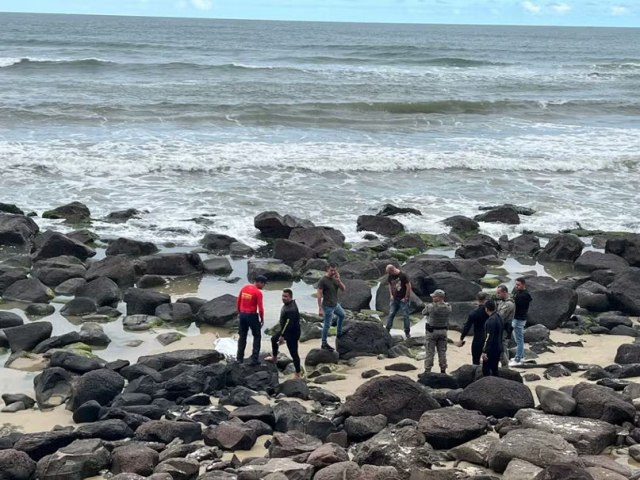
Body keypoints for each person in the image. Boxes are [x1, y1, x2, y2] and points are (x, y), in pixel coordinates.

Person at [265, 289, 302, 377]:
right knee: (273, 339)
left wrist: (282, 336)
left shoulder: (291, 309)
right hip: (287, 330)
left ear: (290, 297)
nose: (283, 298)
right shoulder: (288, 304)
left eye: (286, 296)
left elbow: (288, 324)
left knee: (294, 353)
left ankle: (298, 372)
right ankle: (274, 358)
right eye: (283, 296)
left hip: (292, 333)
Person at [236, 275, 267, 365]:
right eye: (264, 284)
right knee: (257, 336)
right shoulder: (258, 292)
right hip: (252, 315)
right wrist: (262, 318)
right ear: (260, 282)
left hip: (242, 314)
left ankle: (239, 359)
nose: (264, 287)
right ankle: (254, 359)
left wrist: (239, 313)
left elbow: (238, 301)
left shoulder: (244, 288)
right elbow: (260, 308)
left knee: (242, 336)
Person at [317, 263, 346, 351]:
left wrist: (339, 280)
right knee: (327, 325)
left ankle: (339, 333)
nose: (333, 272)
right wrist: (320, 308)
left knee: (342, 315)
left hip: (335, 304)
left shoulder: (335, 279)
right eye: (331, 270)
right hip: (327, 306)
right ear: (327, 269)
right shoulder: (323, 280)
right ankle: (324, 343)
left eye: (334, 270)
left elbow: (343, 289)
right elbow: (319, 295)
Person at [456, 292, 488, 365]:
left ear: (477, 299)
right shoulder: (490, 312)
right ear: (486, 299)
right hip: (488, 337)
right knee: (488, 360)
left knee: (475, 360)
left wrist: (461, 338)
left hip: (478, 338)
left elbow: (467, 326)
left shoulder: (474, 313)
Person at [423, 289, 451, 373]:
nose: (432, 298)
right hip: (443, 331)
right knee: (442, 352)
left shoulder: (430, 306)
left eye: (434, 296)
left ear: (439, 298)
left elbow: (423, 312)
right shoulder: (448, 307)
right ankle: (443, 369)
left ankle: (428, 370)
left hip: (432, 331)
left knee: (430, 352)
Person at [384, 264, 412, 338]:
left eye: (389, 272)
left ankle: (407, 332)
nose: (389, 274)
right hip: (394, 299)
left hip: (403, 299)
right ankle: (387, 330)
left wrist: (406, 298)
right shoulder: (390, 276)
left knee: (406, 315)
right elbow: (390, 284)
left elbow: (408, 286)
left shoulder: (402, 275)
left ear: (393, 270)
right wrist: (391, 295)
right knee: (391, 314)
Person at [511, 277, 533, 366]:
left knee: (519, 340)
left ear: (523, 285)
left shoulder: (524, 295)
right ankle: (521, 355)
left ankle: (517, 359)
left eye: (518, 285)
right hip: (518, 318)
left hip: (519, 319)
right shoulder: (520, 293)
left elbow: (517, 305)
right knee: (518, 339)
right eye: (516, 284)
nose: (516, 286)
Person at [482, 299, 503, 377]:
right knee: (495, 369)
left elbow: (488, 337)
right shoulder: (499, 317)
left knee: (486, 370)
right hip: (498, 346)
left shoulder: (490, 321)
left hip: (491, 349)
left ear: (486, 309)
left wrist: (485, 351)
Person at [496, 284, 515, 367]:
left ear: (505, 292)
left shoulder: (509, 304)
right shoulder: (501, 302)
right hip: (502, 328)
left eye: (499, 293)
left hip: (505, 330)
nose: (497, 295)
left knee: (502, 349)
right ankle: (506, 365)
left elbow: (500, 315)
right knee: (503, 348)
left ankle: (505, 365)